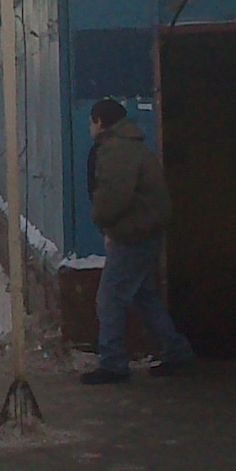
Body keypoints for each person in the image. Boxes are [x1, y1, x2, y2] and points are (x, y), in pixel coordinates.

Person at [83, 97, 196, 385]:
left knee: (110, 298)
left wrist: (103, 222)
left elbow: (113, 196)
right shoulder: (132, 144)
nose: (90, 127)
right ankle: (177, 351)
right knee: (144, 296)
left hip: (132, 235)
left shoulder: (116, 150)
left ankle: (113, 364)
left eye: (91, 121)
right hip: (146, 232)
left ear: (99, 121)